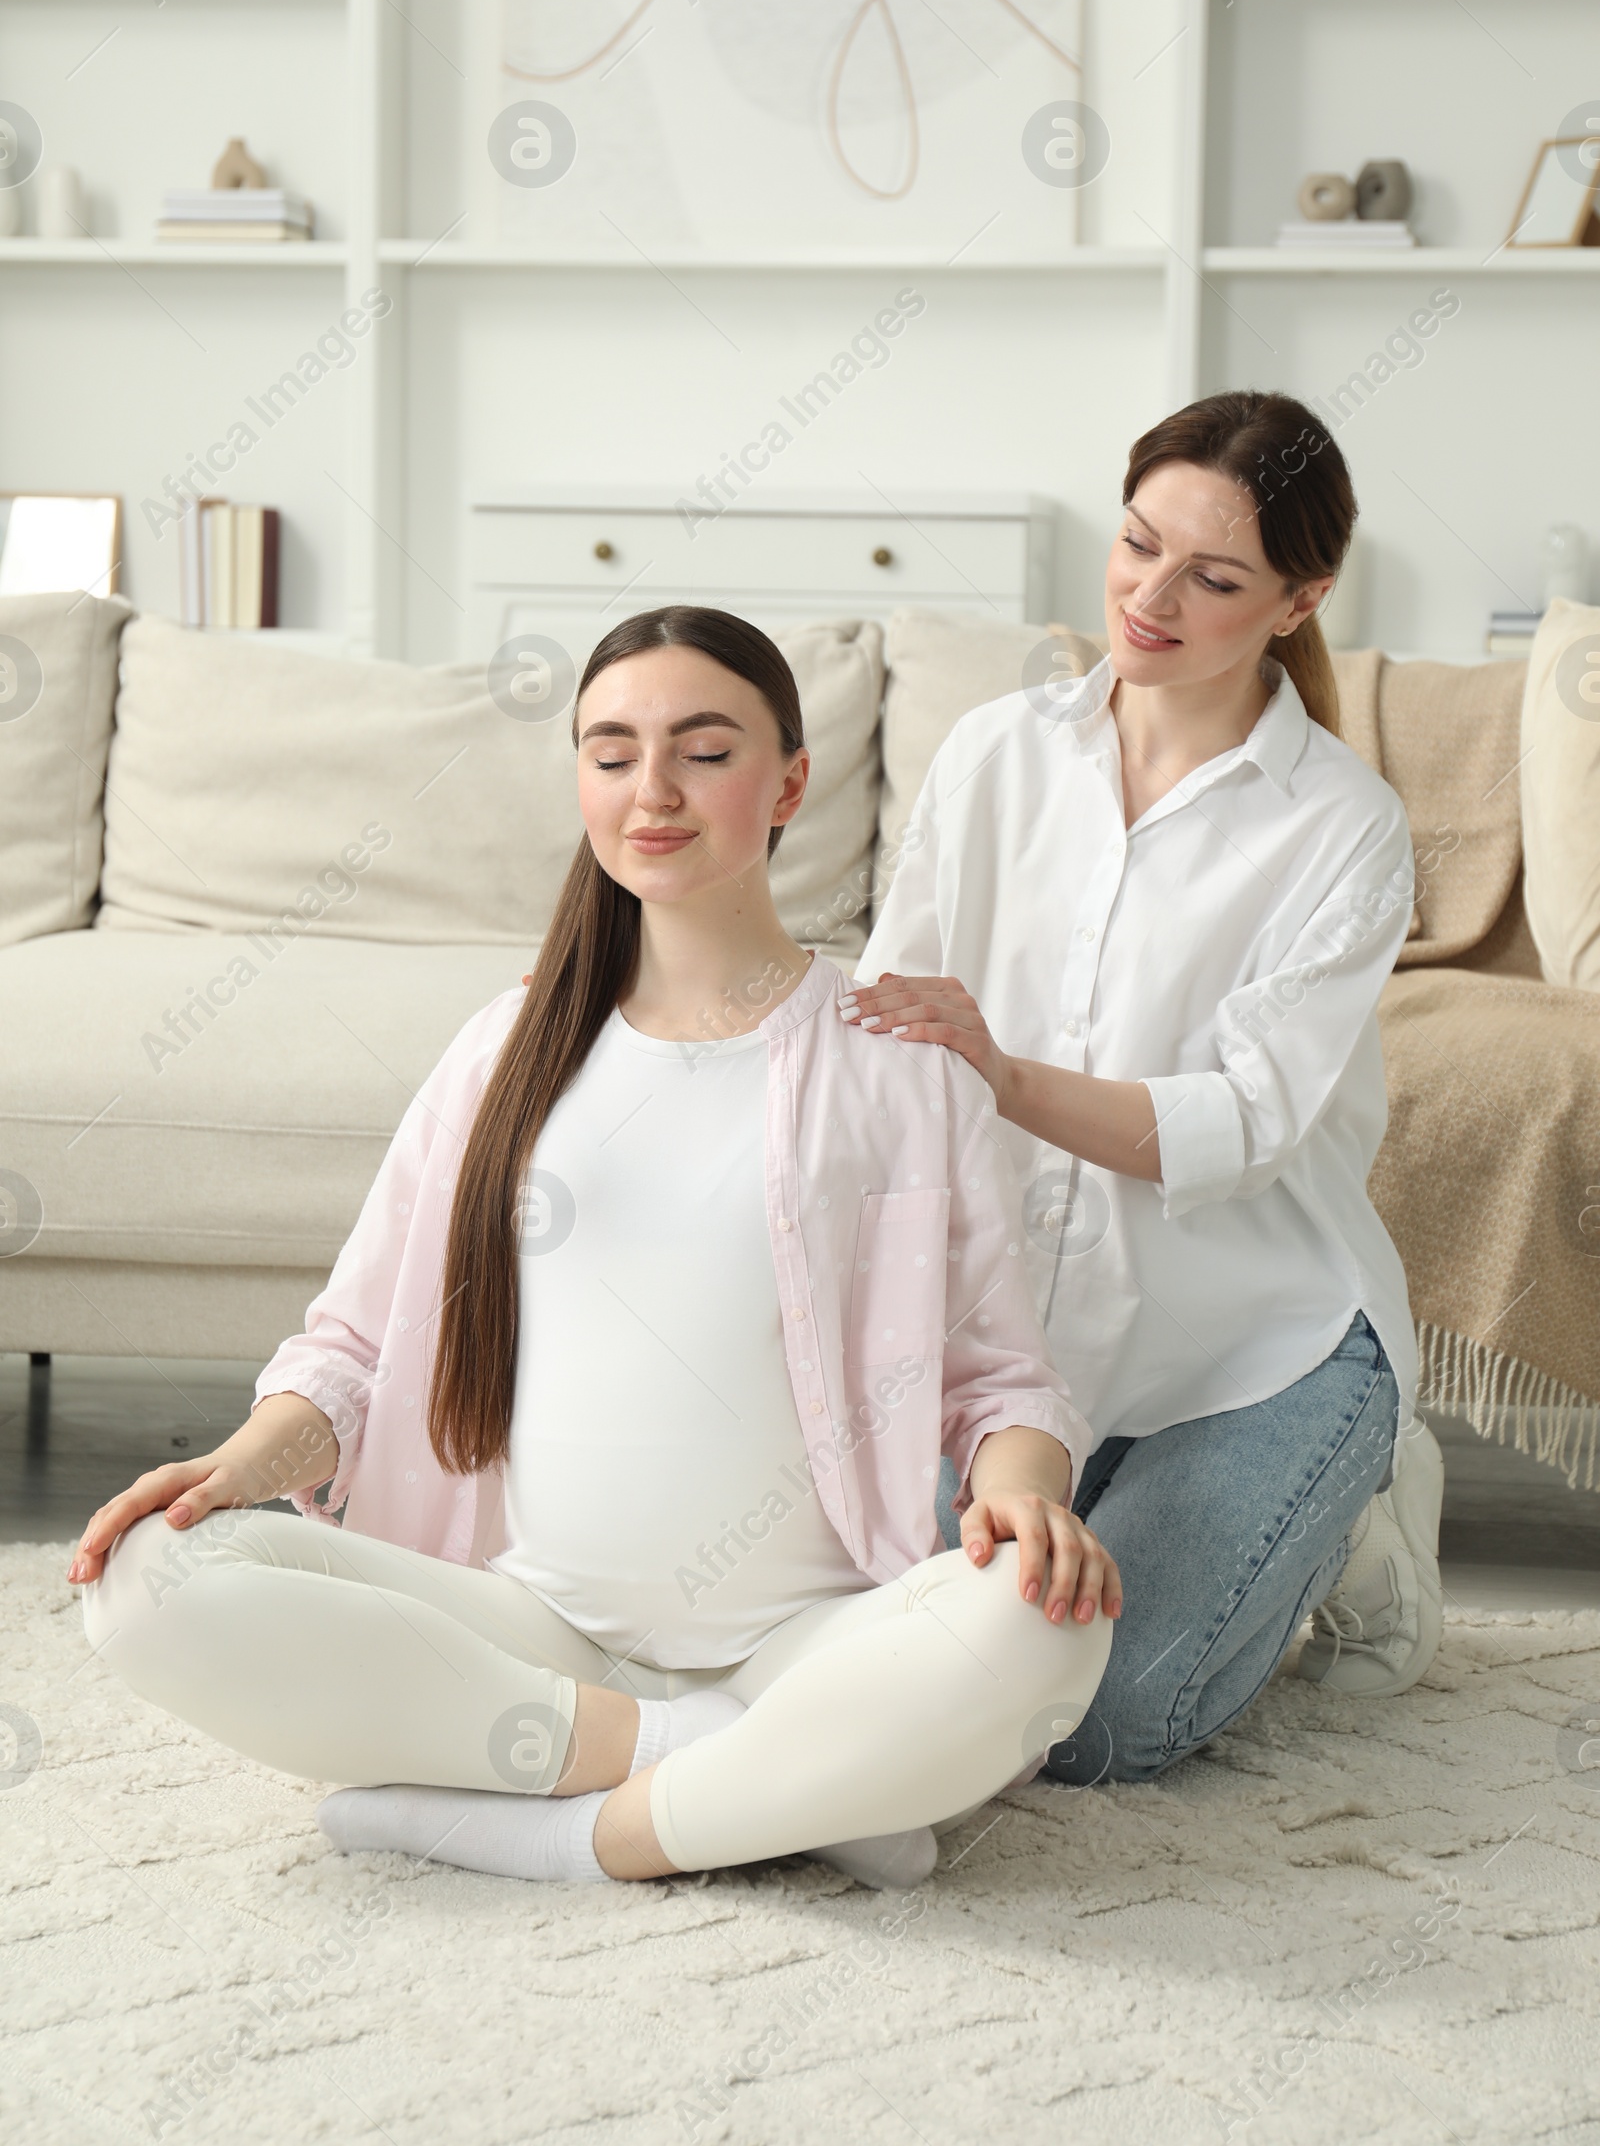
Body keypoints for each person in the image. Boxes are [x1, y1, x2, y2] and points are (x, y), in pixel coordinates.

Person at [70, 607, 1119, 1889]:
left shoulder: (894, 1055)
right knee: (147, 1577)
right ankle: (745, 1773)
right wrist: (230, 1470)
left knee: (1048, 1630)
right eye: (611, 753)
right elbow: (350, 1347)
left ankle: (568, 1833)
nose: (653, 792)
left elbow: (1002, 1380)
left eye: (704, 750)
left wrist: (1024, 1495)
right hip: (527, 1632)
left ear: (790, 780)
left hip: (810, 1632)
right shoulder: (504, 1049)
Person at [847, 390, 1444, 1789]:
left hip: (1251, 1348)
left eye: (1215, 577)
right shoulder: (998, 753)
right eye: (1135, 545)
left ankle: (1359, 1514)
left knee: (1101, 1725)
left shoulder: (1342, 830)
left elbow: (1235, 1128)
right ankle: (1132, 1499)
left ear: (1299, 600)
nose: (1151, 597)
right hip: (1014, 1357)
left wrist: (997, 1066)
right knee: (917, 1662)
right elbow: (890, 1026)